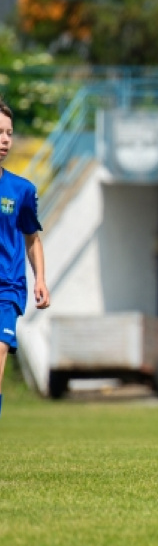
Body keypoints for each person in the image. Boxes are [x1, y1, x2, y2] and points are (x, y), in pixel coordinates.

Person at [0, 98, 50, 417]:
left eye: (9, 133)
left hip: (6, 289)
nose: (5, 139)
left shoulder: (21, 190)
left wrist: (40, 279)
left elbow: (32, 238)